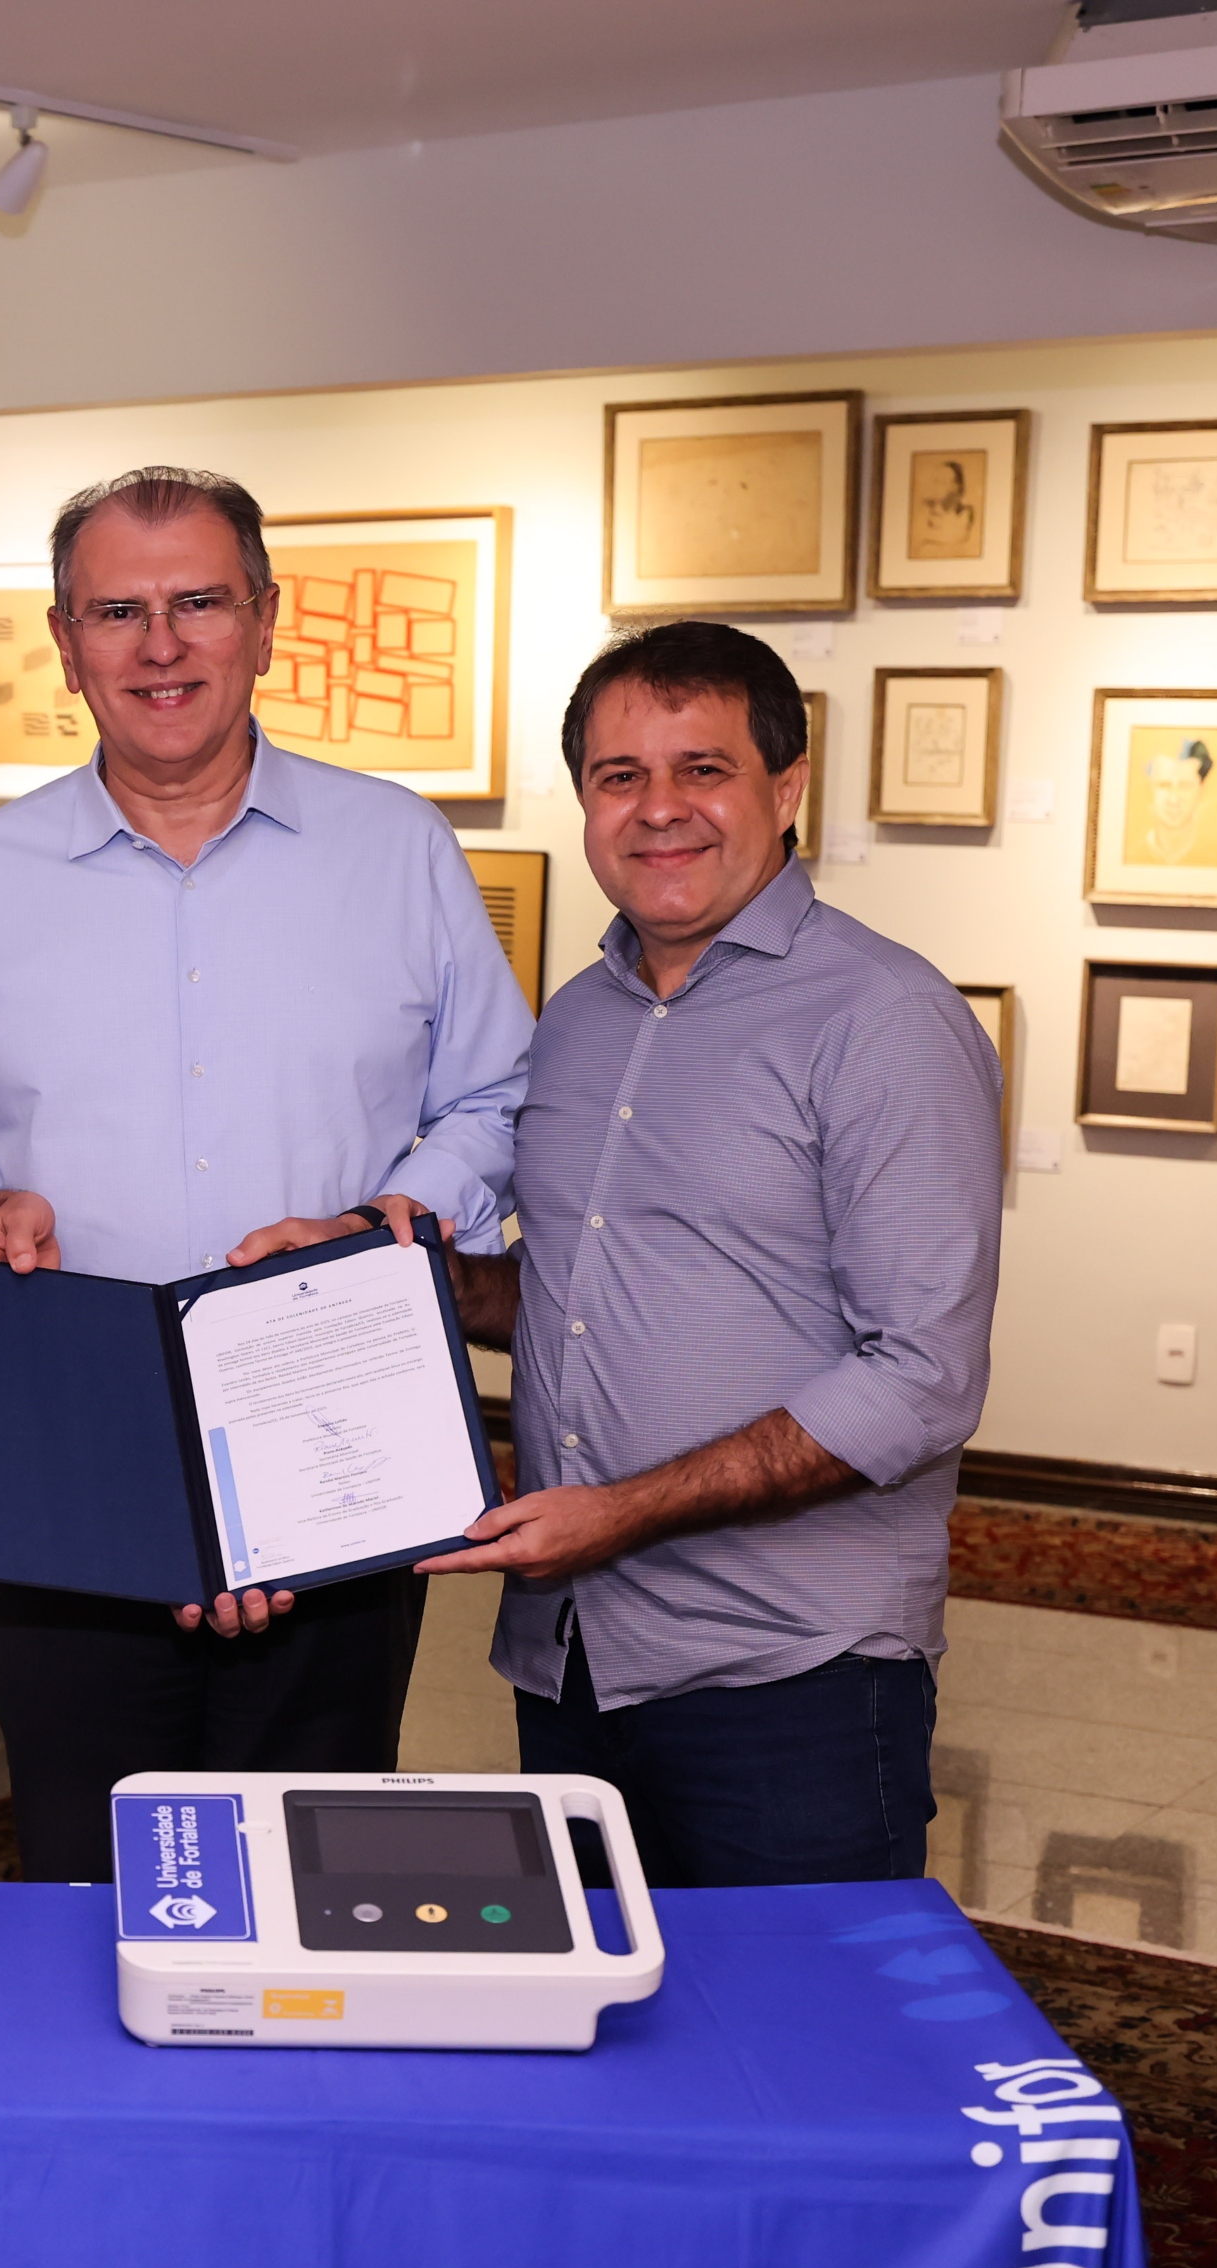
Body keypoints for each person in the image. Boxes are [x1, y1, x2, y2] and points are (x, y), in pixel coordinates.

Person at [0, 466, 531, 1884]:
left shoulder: (399, 851)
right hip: (69, 1456)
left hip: (335, 1428)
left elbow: (497, 1097)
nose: (159, 645)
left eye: (196, 604)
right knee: (80, 1869)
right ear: (64, 639)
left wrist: (376, 1221)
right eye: (118, 609)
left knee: (312, 1873)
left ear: (266, 620)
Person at [424, 619, 1001, 1889]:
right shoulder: (574, 1021)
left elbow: (919, 1376)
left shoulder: (883, 1019)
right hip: (572, 1658)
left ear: (785, 788)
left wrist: (617, 1516)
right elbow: (575, 1295)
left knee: (801, 2064)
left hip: (786, 1672)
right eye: (619, 776)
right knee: (599, 2042)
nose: (658, 810)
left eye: (703, 768)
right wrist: (397, 1279)